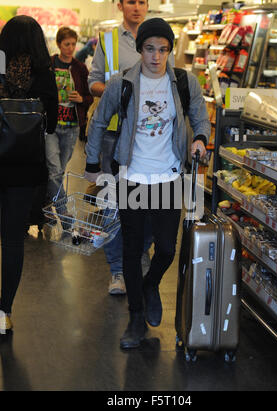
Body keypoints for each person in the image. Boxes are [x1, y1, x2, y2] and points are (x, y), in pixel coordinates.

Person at [84, 18, 211, 349]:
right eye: (150, 48)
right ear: (140, 49)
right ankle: (136, 317)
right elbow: (98, 121)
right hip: (132, 177)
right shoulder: (122, 83)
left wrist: (200, 138)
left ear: (170, 50)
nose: (156, 56)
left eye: (163, 49)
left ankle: (151, 283)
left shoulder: (184, 82)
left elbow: (200, 117)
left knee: (167, 248)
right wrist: (92, 164)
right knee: (132, 247)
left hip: (168, 177)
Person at [87, 0, 153, 296]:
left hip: (150, 136)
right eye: (131, 2)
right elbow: (93, 83)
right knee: (113, 204)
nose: (136, 7)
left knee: (150, 202)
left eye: (142, 1)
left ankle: (139, 252)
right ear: (120, 5)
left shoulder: (159, 39)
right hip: (114, 133)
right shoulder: (109, 40)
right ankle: (116, 270)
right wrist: (119, 88)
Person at [0, 15, 58, 333]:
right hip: (24, 170)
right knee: (12, 242)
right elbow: (49, 126)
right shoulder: (44, 76)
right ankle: (3, 311)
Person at [46, 27, 93, 207]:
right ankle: (64, 212)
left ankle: (47, 208)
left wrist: (81, 99)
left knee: (58, 171)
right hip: (51, 125)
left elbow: (90, 96)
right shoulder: (49, 64)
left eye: (73, 44)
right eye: (67, 44)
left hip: (71, 126)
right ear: (58, 44)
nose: (71, 48)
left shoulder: (80, 68)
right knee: (54, 171)